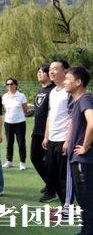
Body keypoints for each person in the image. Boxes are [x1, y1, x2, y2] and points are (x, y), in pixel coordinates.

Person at [64, 67, 92, 235]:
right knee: (84, 201)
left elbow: (92, 122)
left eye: (67, 78)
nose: (65, 81)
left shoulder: (85, 99)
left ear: (78, 82)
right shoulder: (77, 102)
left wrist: (86, 146)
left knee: (87, 201)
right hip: (79, 159)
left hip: (84, 160)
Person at [43, 59, 72, 207]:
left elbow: (72, 117)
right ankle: (63, 203)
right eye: (50, 69)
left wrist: (68, 140)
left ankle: (67, 206)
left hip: (63, 139)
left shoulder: (69, 92)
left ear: (65, 71)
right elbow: (50, 114)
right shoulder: (53, 92)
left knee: (63, 176)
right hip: (52, 138)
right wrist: (46, 136)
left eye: (55, 69)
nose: (51, 72)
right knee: (51, 173)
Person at [32, 64, 57, 203]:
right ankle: (50, 182)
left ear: (49, 75)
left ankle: (51, 190)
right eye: (38, 72)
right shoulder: (41, 90)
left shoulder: (53, 91)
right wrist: (34, 129)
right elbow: (39, 113)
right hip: (37, 130)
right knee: (35, 158)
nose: (39, 74)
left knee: (48, 162)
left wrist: (47, 134)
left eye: (42, 72)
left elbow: (50, 114)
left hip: (48, 132)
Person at [2, 78, 29, 170]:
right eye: (7, 84)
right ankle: (9, 161)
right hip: (8, 122)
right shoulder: (4, 96)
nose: (9, 86)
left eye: (11, 84)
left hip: (20, 122)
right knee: (9, 142)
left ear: (16, 85)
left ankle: (22, 162)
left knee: (21, 142)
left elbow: (25, 109)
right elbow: (5, 109)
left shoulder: (21, 96)